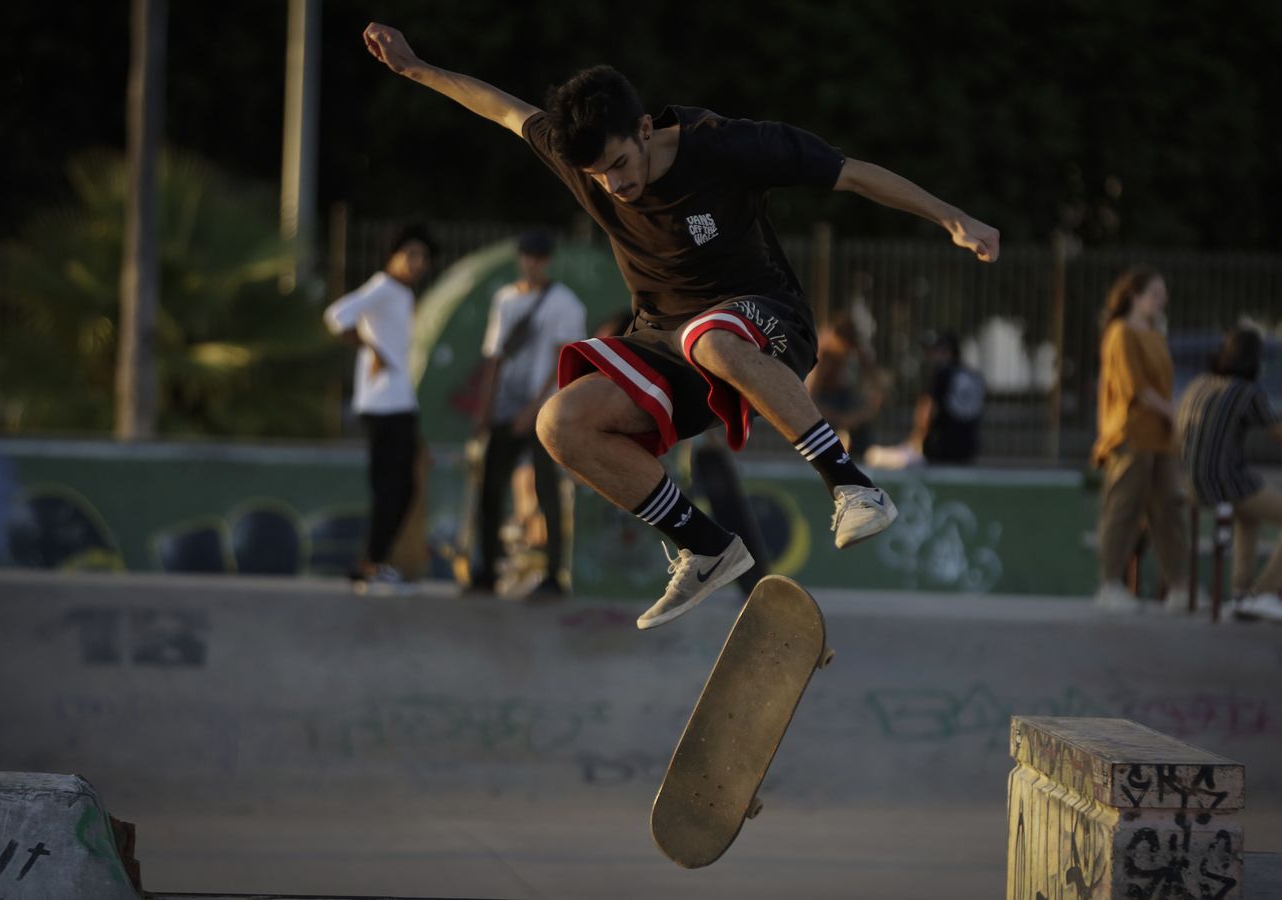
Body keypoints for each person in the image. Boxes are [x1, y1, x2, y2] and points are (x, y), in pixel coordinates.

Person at [363, 25, 999, 629]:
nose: (616, 184)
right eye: (599, 175)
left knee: (709, 337)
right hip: (665, 341)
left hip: (767, 319)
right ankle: (706, 546)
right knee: (559, 422)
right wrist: (416, 69)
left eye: (621, 163)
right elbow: (502, 109)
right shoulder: (584, 159)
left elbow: (852, 172)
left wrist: (953, 219)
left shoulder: (724, 145)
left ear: (645, 128)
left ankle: (853, 486)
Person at [1175, 328, 1282, 624]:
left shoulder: (1199, 384)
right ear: (1254, 360)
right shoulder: (1246, 392)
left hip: (1190, 483)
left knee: (1249, 513)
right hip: (1224, 482)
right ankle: (1264, 593)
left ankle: (1241, 594)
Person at [470, 229, 586, 597]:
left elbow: (560, 361)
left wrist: (532, 410)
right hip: (506, 408)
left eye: (538, 258)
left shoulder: (565, 304)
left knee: (547, 490)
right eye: (527, 257)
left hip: (545, 412)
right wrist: (484, 408)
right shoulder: (505, 299)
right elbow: (495, 357)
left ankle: (554, 575)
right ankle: (486, 571)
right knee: (491, 489)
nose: (532, 264)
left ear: (547, 261)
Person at [323, 224, 434, 594]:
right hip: (383, 404)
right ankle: (371, 566)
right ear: (393, 256)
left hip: (399, 401)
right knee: (392, 489)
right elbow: (337, 315)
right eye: (411, 255)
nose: (417, 263)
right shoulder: (383, 286)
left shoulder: (401, 293)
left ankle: (373, 563)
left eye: (423, 257)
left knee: (401, 488)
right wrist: (371, 349)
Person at [1090, 266, 1190, 613]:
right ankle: (1110, 584)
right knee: (1123, 509)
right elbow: (1134, 389)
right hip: (1130, 435)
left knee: (1169, 511)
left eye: (1163, 295)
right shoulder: (1120, 332)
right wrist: (1173, 411)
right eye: (1154, 294)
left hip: (1162, 438)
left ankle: (1179, 587)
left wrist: (1172, 414)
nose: (1161, 301)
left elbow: (1162, 385)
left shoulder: (1155, 334)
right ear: (1134, 295)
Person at [806, 311, 886, 456]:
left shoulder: (855, 348)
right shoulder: (822, 353)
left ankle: (860, 450)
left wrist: (861, 415)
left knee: (862, 434)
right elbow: (809, 399)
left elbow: (878, 384)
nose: (845, 353)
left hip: (842, 397)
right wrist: (839, 419)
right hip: (823, 402)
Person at [907, 331, 985, 464]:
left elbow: (930, 409)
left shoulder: (943, 374)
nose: (930, 356)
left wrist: (918, 438)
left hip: (942, 444)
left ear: (946, 351)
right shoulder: (973, 375)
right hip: (969, 445)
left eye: (933, 351)